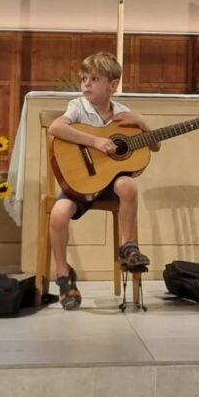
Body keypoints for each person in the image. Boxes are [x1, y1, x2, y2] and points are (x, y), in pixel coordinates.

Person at [46, 52, 154, 310]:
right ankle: (63, 275)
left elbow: (155, 146)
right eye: (83, 78)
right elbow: (56, 128)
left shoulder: (123, 114)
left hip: (110, 186)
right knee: (59, 213)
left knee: (128, 184)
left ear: (113, 85)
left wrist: (141, 122)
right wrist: (95, 142)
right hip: (80, 184)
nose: (86, 84)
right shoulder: (78, 107)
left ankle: (126, 246)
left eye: (94, 79)